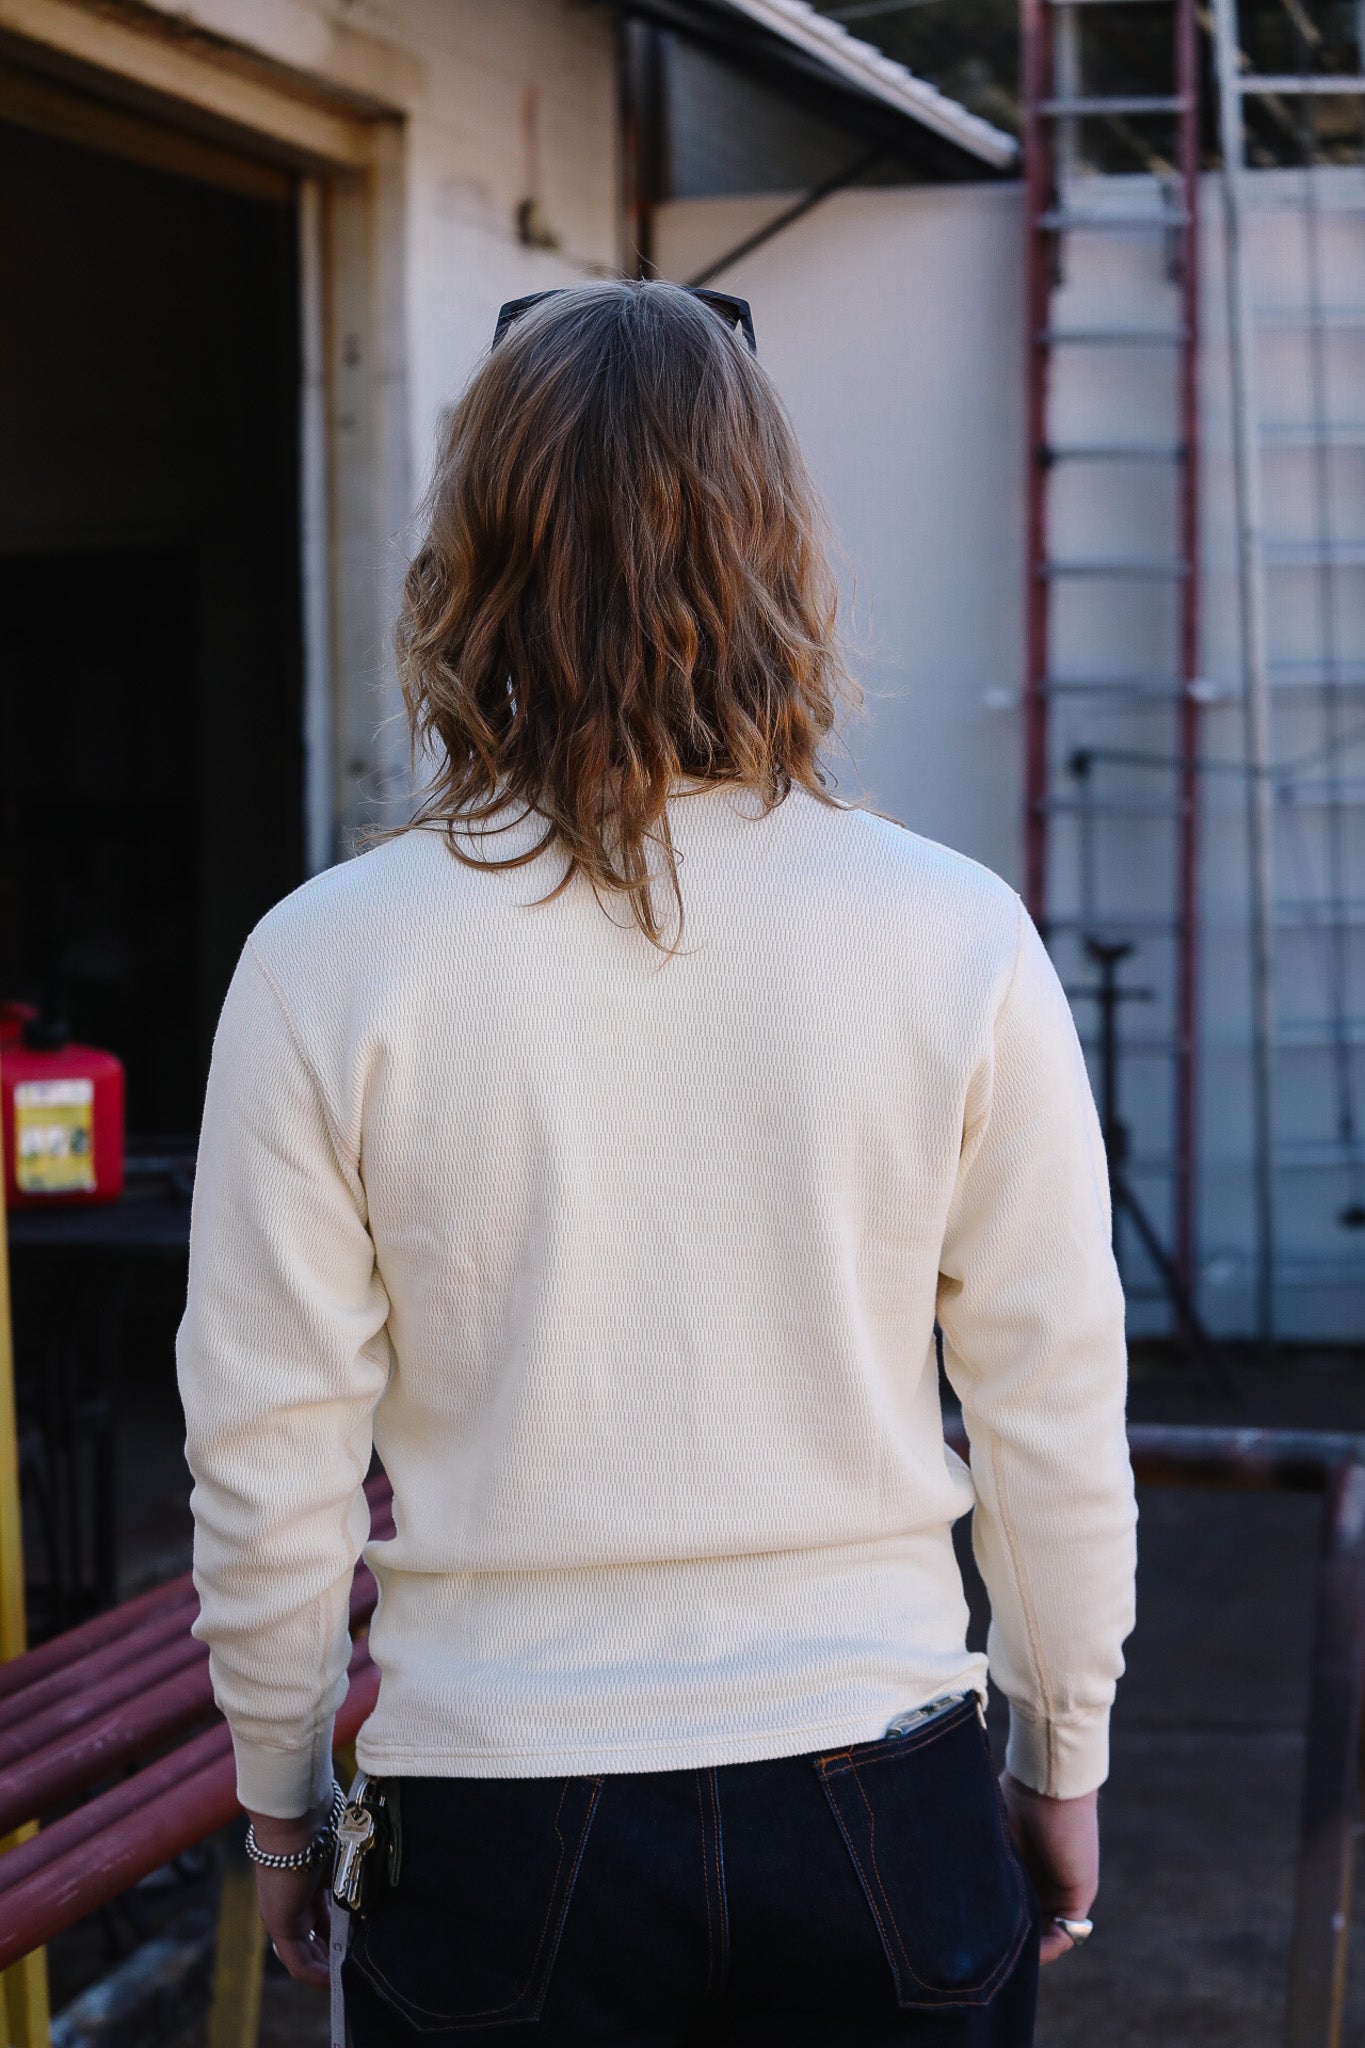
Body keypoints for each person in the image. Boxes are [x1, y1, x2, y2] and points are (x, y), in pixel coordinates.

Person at [176, 279, 1136, 2048]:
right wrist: (1060, 1748)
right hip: (879, 1791)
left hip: (492, 1812)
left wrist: (281, 1796)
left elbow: (268, 1444)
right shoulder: (954, 933)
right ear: (776, 545)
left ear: (473, 551)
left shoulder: (329, 957)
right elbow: (1049, 1398)